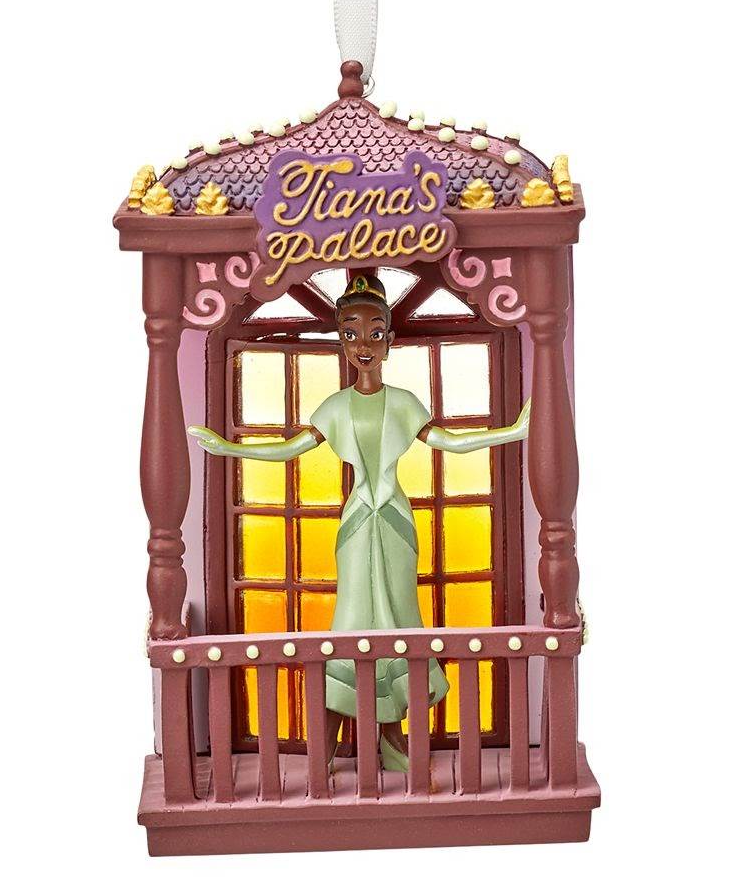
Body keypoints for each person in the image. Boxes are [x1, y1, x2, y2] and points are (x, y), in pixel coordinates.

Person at [188, 274, 530, 770]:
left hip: (394, 522)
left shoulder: (404, 402)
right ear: (342, 341)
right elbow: (289, 450)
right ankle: (326, 746)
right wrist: (228, 448)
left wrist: (510, 433)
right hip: (355, 526)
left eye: (374, 333)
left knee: (399, 617)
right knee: (349, 621)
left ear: (389, 341)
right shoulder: (336, 406)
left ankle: (391, 738)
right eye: (350, 333)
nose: (363, 345)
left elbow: (449, 442)